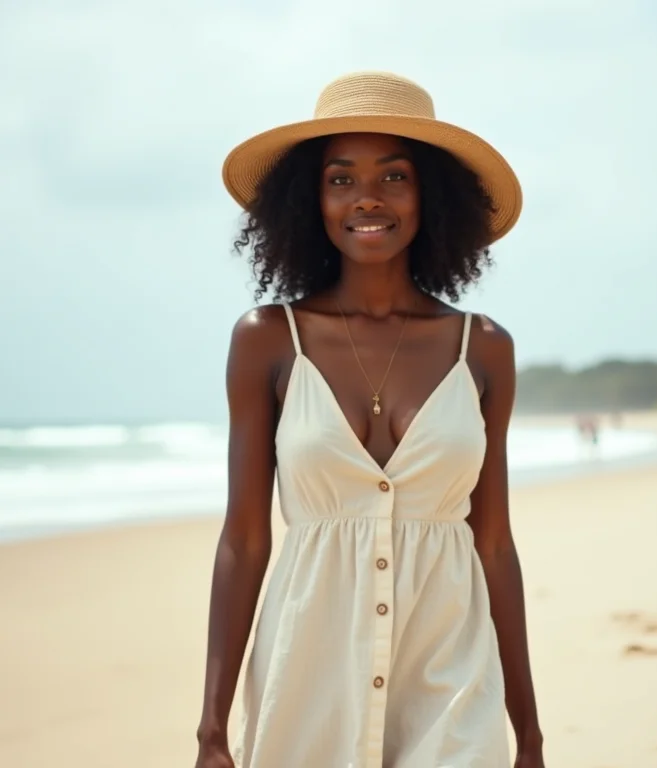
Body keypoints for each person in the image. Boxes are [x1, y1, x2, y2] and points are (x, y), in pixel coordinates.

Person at [194, 71, 545, 768]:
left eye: (395, 175)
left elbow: (495, 543)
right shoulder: (268, 338)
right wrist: (211, 730)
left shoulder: (485, 348)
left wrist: (528, 731)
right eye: (341, 178)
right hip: (308, 677)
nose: (368, 199)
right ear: (311, 198)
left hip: (452, 672)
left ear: (431, 195)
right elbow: (243, 539)